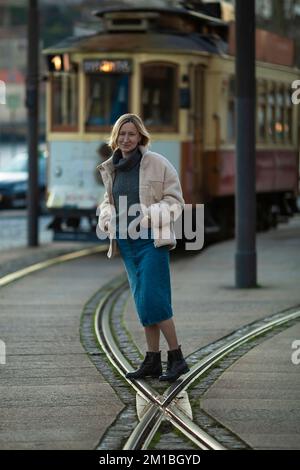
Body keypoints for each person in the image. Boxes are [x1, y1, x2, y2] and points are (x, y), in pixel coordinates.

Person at [97, 113, 189, 382]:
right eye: (122, 134)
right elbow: (107, 202)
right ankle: (152, 361)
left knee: (155, 299)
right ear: (115, 138)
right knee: (142, 302)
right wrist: (107, 217)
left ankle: (177, 357)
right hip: (126, 243)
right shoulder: (111, 167)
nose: (126, 139)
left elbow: (175, 200)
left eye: (131, 134)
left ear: (140, 137)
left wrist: (147, 215)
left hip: (151, 240)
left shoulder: (157, 164)